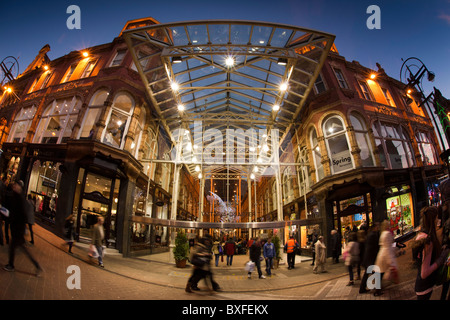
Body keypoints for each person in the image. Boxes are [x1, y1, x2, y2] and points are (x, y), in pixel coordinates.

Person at [3, 180, 42, 276]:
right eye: (14, 185)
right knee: (23, 249)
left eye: (16, 185)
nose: (15, 187)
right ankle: (37, 266)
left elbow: (22, 215)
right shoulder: (16, 197)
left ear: (20, 187)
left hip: (18, 229)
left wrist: (22, 228)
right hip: (16, 228)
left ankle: (11, 265)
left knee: (13, 247)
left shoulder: (20, 199)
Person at [412, 206, 450, 300]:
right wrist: (440, 260)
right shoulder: (427, 241)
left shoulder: (422, 235)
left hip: (423, 286)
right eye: (437, 218)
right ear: (433, 220)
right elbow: (424, 272)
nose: (439, 220)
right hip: (425, 286)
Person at [374, 220, 397, 296]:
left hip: (382, 254)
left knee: (380, 273)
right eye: (388, 224)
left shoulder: (383, 233)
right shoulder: (387, 233)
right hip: (385, 255)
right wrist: (391, 259)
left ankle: (378, 290)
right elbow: (389, 245)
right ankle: (377, 291)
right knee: (382, 273)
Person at [359, 222, 380, 294]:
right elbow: (375, 247)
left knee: (367, 274)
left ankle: (362, 289)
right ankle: (377, 291)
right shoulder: (373, 235)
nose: (378, 228)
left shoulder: (370, 234)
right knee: (376, 273)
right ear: (374, 227)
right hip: (371, 258)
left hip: (368, 258)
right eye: (377, 226)